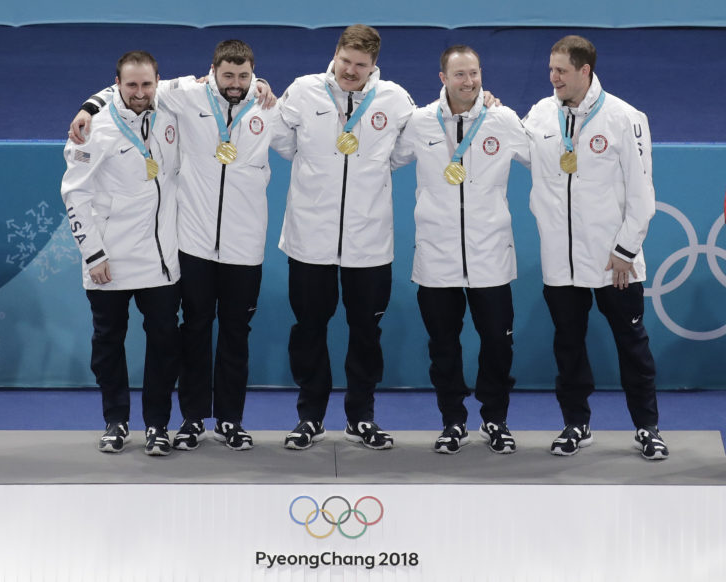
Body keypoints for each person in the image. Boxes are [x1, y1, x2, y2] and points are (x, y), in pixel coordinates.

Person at [68, 41, 293, 452]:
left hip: (239, 247)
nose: (236, 84)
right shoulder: (185, 97)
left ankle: (228, 420)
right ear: (211, 72)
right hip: (192, 245)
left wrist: (263, 86)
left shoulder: (266, 106)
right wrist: (89, 106)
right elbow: (128, 87)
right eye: (228, 75)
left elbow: (296, 145)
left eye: (244, 76)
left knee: (234, 336)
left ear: (254, 74)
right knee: (191, 333)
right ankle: (188, 419)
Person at [523, 35, 668, 460]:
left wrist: (625, 250)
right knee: (568, 344)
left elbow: (643, 193)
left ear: (585, 71)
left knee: (631, 345)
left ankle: (647, 428)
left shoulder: (625, 117)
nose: (553, 78)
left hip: (613, 261)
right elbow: (519, 148)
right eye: (550, 70)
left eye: (561, 71)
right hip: (561, 260)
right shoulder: (542, 112)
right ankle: (576, 424)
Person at [277, 24, 415, 450]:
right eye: (345, 61)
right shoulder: (302, 91)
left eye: (360, 65)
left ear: (374, 65)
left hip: (368, 243)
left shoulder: (394, 100)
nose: (350, 71)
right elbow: (283, 141)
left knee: (365, 334)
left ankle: (362, 417)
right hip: (309, 239)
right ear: (335, 54)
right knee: (309, 330)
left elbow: (407, 149)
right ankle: (310, 417)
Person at [391, 46, 529, 455]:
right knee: (444, 346)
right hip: (437, 257)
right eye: (460, 75)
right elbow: (381, 158)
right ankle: (452, 421)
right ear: (442, 79)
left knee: (498, 344)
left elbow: (545, 159)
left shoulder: (502, 120)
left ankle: (495, 420)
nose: (469, 82)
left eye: (474, 74)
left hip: (491, 256)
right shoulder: (418, 123)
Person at [61, 50, 181, 456]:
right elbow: (73, 193)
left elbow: (215, 83)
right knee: (108, 343)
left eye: (147, 84)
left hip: (161, 261)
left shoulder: (170, 107)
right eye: (131, 85)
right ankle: (115, 421)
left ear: (157, 82)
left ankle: (158, 425)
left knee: (165, 344)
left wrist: (263, 87)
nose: (140, 92)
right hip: (109, 260)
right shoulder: (93, 128)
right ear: (116, 84)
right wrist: (93, 254)